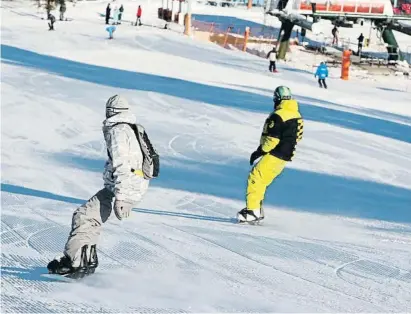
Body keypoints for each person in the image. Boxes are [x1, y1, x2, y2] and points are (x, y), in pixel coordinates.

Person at [47, 95, 159, 278]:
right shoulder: (128, 128)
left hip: (124, 187)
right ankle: (85, 260)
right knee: (90, 217)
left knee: (84, 215)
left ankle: (75, 262)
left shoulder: (119, 131)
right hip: (128, 185)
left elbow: (122, 163)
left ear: (111, 111)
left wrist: (122, 196)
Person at [237, 86, 304, 223]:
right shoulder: (296, 114)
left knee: (255, 177)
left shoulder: (279, 115)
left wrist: (259, 151)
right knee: (262, 181)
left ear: (277, 98)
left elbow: (272, 139)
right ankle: (257, 209)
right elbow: (298, 135)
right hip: (286, 155)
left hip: (275, 152)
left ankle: (253, 210)